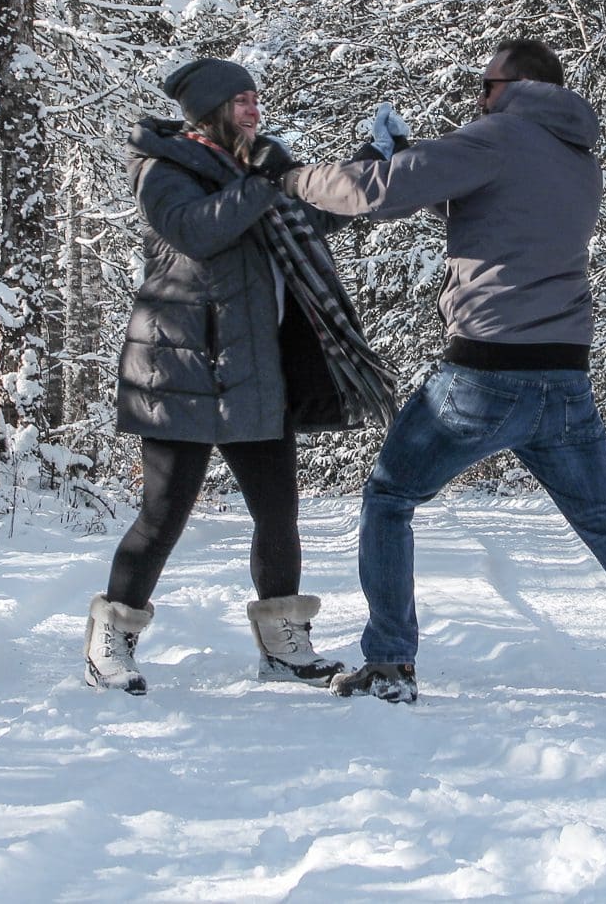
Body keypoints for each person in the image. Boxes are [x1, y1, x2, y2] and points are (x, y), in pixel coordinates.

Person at [278, 38, 606, 702]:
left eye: (486, 82)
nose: (478, 94)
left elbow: (371, 191)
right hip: (565, 382)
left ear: (516, 86)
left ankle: (390, 661)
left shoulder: (498, 134)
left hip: (484, 376)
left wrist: (294, 178)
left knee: (389, 499)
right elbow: (498, 212)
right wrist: (428, 161)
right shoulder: (576, 156)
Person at [86, 57, 389, 695]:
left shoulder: (256, 169)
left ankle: (284, 643)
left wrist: (371, 159)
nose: (255, 109)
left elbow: (314, 216)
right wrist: (265, 180)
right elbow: (199, 232)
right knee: (163, 514)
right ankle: (111, 638)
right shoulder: (162, 170)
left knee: (279, 512)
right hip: (178, 369)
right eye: (241, 100)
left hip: (252, 369)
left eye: (256, 97)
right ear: (210, 111)